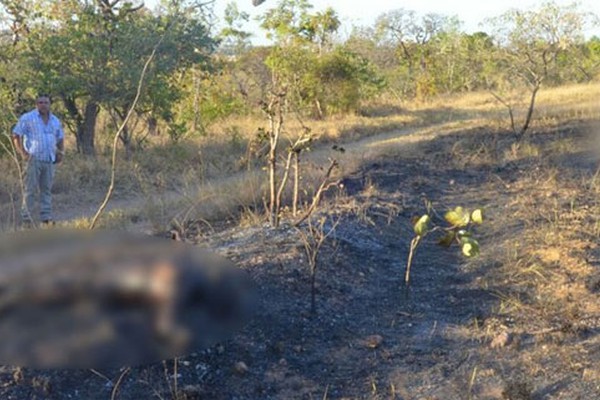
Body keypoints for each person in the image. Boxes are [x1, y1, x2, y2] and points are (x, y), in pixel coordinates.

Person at [12, 94, 64, 226]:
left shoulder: (55, 120)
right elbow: (16, 135)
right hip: (33, 159)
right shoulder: (28, 118)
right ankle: (26, 218)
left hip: (49, 159)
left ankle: (46, 218)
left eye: (46, 102)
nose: (43, 105)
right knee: (30, 190)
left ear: (50, 104)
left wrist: (61, 152)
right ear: (36, 104)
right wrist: (23, 153)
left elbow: (60, 137)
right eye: (40, 102)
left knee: (46, 189)